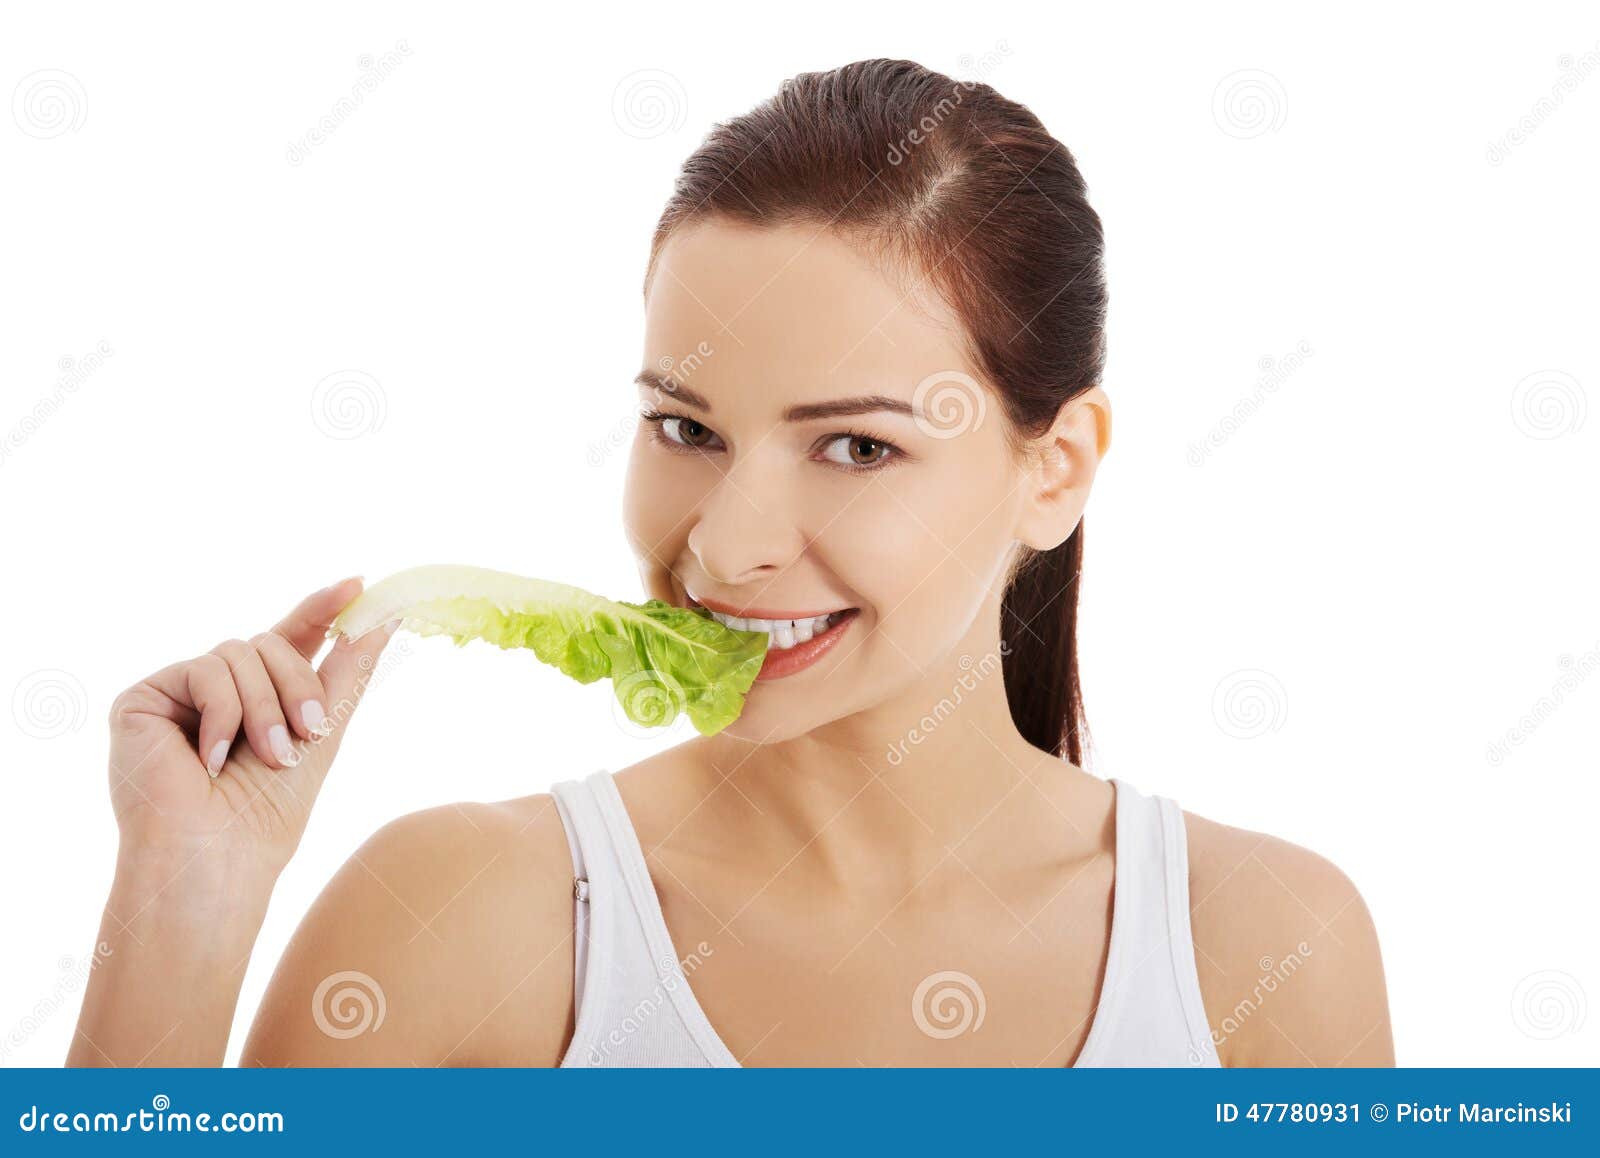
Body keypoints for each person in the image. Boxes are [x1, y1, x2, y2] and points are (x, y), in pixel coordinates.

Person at [71, 59, 1392, 1068]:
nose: (722, 543)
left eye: (857, 449)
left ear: (1056, 469)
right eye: (686, 428)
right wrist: (189, 899)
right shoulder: (456, 919)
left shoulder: (1268, 946)